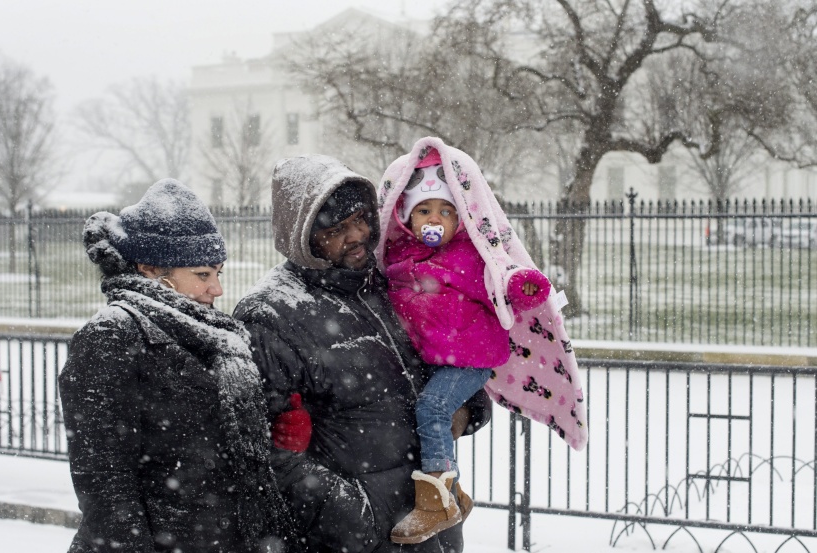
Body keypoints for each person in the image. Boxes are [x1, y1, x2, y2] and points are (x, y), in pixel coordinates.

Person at [233, 154, 491, 553]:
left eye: (360, 219)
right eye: (337, 229)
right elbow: (266, 454)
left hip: (432, 525)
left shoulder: (393, 282)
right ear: (302, 237)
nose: (357, 235)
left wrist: (467, 406)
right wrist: (357, 517)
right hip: (359, 538)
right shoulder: (271, 315)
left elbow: (454, 355)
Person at [58, 179, 296, 553]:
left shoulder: (215, 335)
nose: (217, 288)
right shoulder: (112, 334)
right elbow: (105, 480)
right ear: (150, 269)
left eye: (218, 273)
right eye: (203, 274)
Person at [375, 137, 589, 544]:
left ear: (460, 218)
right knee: (423, 412)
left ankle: (436, 502)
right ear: (405, 217)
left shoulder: (470, 255)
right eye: (424, 210)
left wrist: (522, 285)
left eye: (445, 211)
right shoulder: (399, 259)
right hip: (435, 358)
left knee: (433, 408)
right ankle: (453, 494)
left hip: (471, 358)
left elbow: (502, 275)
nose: (435, 219)